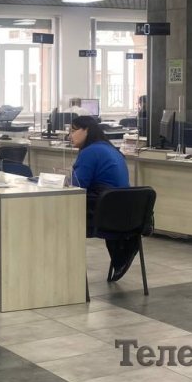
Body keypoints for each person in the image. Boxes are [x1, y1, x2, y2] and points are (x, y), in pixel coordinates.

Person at [69, 115, 137, 282]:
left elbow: (77, 186)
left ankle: (62, 270)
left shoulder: (90, 152)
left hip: (104, 214)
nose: (69, 135)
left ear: (87, 130)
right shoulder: (111, 149)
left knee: (60, 214)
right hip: (126, 214)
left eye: (73, 131)